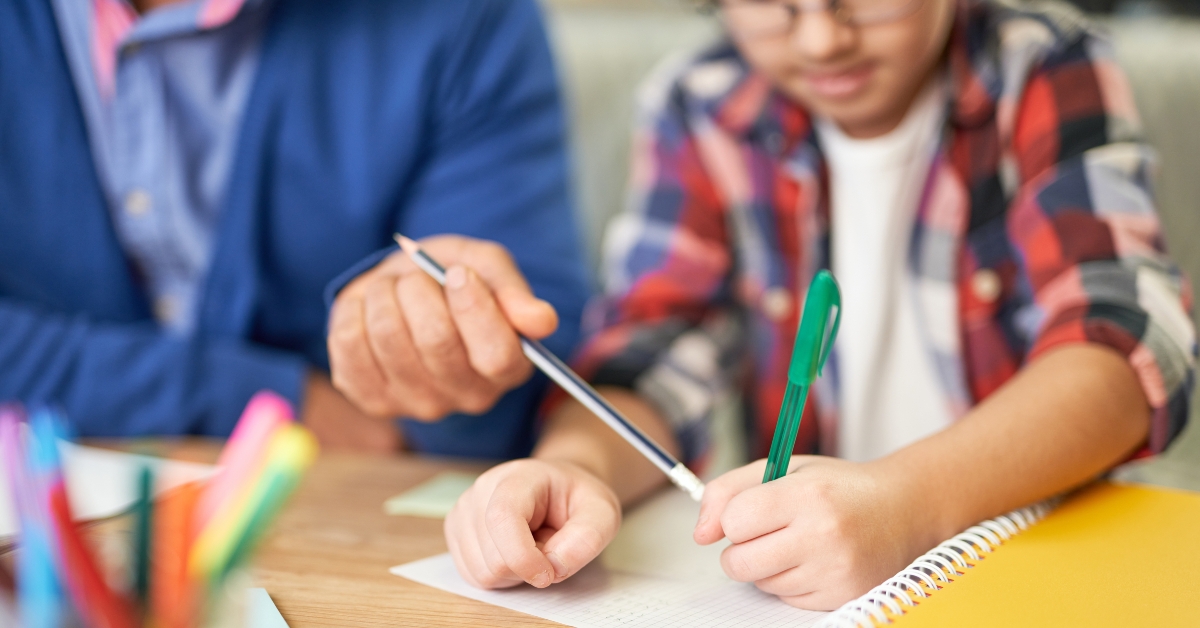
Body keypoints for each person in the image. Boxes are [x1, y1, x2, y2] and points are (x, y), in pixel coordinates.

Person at [440, 0, 1196, 610]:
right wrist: (574, 465)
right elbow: (659, 349)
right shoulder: (701, 104)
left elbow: (1123, 348)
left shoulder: (1041, 67)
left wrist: (909, 504)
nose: (822, 39)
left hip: (1047, 555)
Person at [0, 0, 590, 458]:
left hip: (334, 525)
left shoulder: (466, 20)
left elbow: (522, 396)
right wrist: (274, 402)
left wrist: (446, 367)